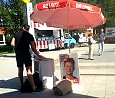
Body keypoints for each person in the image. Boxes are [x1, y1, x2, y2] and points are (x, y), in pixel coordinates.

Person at [11, 24, 43, 92]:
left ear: (23, 28)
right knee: (29, 70)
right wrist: (38, 55)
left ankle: (22, 84)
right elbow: (33, 48)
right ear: (28, 29)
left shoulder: (16, 34)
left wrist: (18, 45)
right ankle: (33, 87)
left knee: (20, 69)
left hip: (18, 54)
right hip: (26, 54)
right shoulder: (30, 36)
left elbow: (12, 43)